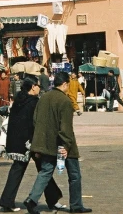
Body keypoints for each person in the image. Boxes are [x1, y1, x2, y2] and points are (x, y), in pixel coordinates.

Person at [24, 72, 91, 214]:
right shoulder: (65, 101)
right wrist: (66, 145)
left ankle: (32, 199)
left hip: (46, 143)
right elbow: (66, 127)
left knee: (45, 172)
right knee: (74, 175)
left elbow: (35, 121)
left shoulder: (43, 98)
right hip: (63, 144)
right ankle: (76, 205)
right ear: (65, 84)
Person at [0, 76, 65, 212]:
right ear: (33, 87)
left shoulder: (18, 100)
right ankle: (51, 201)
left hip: (17, 142)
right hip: (32, 142)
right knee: (44, 170)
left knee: (23, 170)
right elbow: (36, 124)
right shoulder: (34, 102)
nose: (39, 89)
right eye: (39, 86)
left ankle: (7, 201)